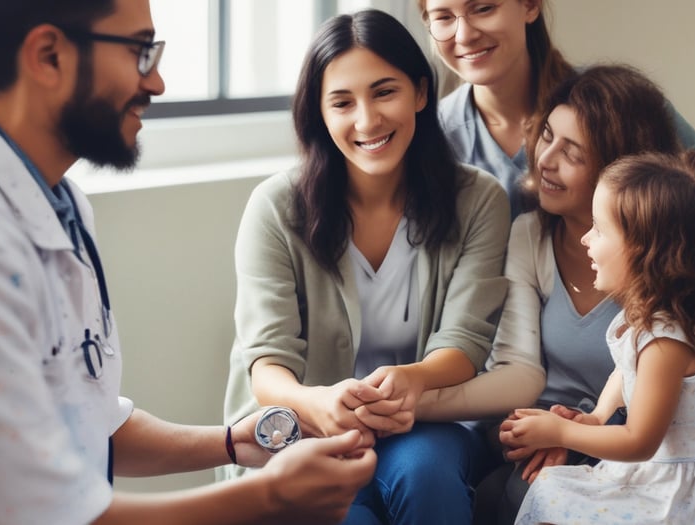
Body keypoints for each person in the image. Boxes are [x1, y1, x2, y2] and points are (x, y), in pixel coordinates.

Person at [0, 1, 377, 524]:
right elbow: (48, 513)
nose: (158, 82)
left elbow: (96, 427)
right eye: (141, 52)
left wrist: (238, 442)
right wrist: (270, 496)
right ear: (49, 55)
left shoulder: (62, 205)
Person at [219, 8, 510, 525]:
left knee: (428, 478)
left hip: (423, 423)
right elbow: (266, 361)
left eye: (383, 92)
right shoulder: (274, 208)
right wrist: (318, 403)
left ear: (421, 93)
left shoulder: (478, 199)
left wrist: (414, 379)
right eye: (342, 102)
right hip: (307, 428)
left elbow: (466, 340)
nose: (367, 120)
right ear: (320, 113)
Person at [415, 64, 683, 523]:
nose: (544, 159)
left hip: (633, 441)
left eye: (573, 153)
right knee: (500, 492)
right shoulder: (529, 235)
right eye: (546, 137)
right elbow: (519, 368)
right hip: (539, 436)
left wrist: (576, 435)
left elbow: (679, 405)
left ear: (621, 168)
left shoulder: (664, 264)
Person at [502, 150, 695, 524]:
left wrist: (563, 431)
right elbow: (625, 372)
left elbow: (638, 441)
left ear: (645, 251)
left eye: (598, 229)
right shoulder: (652, 318)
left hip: (683, 494)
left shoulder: (666, 341)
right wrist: (597, 417)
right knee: (550, 488)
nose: (585, 239)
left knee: (553, 496)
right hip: (662, 471)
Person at [415, 0, 695, 217]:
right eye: (443, 17)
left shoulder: (618, 101)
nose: (465, 34)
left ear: (530, 5)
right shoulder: (431, 137)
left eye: (483, 8)